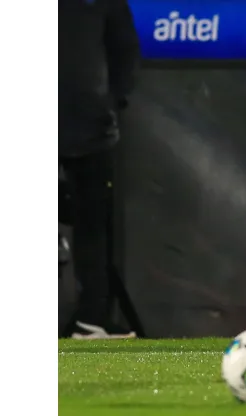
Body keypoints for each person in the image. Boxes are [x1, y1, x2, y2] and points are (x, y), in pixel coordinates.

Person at [59, 0, 140, 339]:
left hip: (89, 130)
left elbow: (125, 51)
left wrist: (109, 102)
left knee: (93, 224)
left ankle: (90, 318)